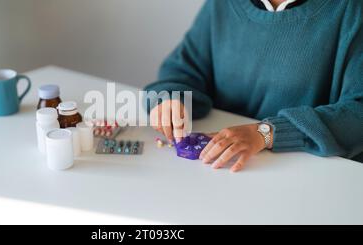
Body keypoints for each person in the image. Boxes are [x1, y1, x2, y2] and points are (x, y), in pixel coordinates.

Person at [144, 0, 363, 172]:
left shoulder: (352, 10)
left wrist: (266, 133)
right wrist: (170, 100)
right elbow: (182, 71)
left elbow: (358, 112)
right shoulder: (223, 4)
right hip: (220, 170)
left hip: (305, 177)